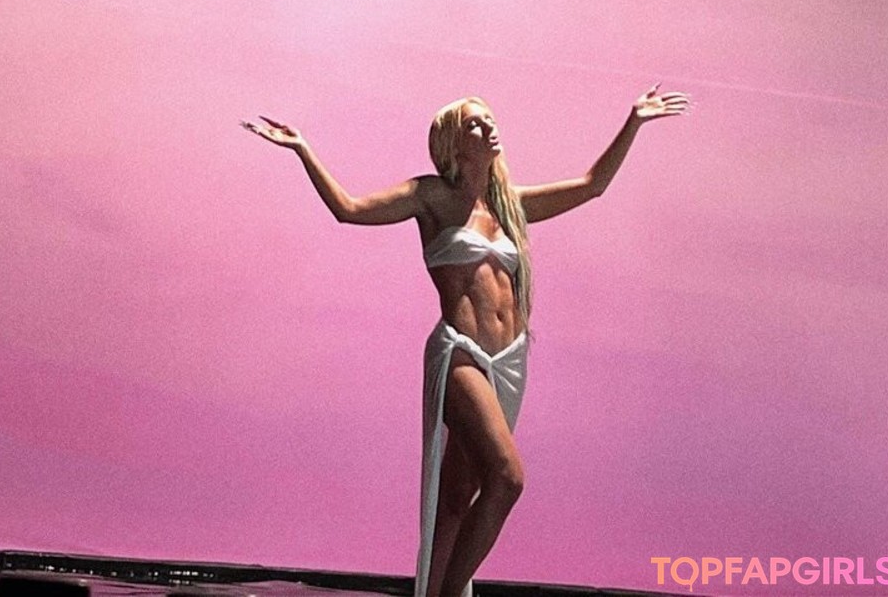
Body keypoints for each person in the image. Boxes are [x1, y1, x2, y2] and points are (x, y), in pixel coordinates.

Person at [241, 84, 689, 597]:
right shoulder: (430, 196)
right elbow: (349, 208)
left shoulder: (510, 206)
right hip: (461, 352)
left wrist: (634, 121)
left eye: (488, 118)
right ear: (453, 143)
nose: (487, 126)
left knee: (458, 495)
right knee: (507, 477)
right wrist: (303, 149)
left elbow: (593, 185)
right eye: (473, 123)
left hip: (510, 361)